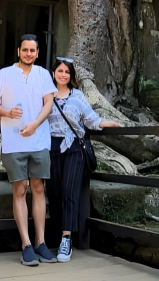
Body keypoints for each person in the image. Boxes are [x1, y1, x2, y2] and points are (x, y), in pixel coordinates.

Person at [0, 34, 58, 266]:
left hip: (39, 141)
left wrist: (35, 124)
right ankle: (26, 244)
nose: (29, 54)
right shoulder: (4, 74)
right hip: (14, 141)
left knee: (38, 187)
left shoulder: (44, 74)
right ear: (18, 51)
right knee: (20, 189)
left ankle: (41, 242)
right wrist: (7, 113)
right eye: (25, 50)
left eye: (32, 50)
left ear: (37, 52)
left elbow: (49, 103)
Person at [47, 57, 122, 262]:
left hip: (73, 148)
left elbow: (91, 119)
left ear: (71, 76)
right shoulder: (46, 95)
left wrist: (107, 123)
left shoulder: (77, 95)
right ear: (53, 73)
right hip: (51, 148)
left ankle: (66, 239)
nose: (63, 75)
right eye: (60, 71)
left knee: (70, 192)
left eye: (67, 72)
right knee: (54, 192)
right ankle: (55, 234)